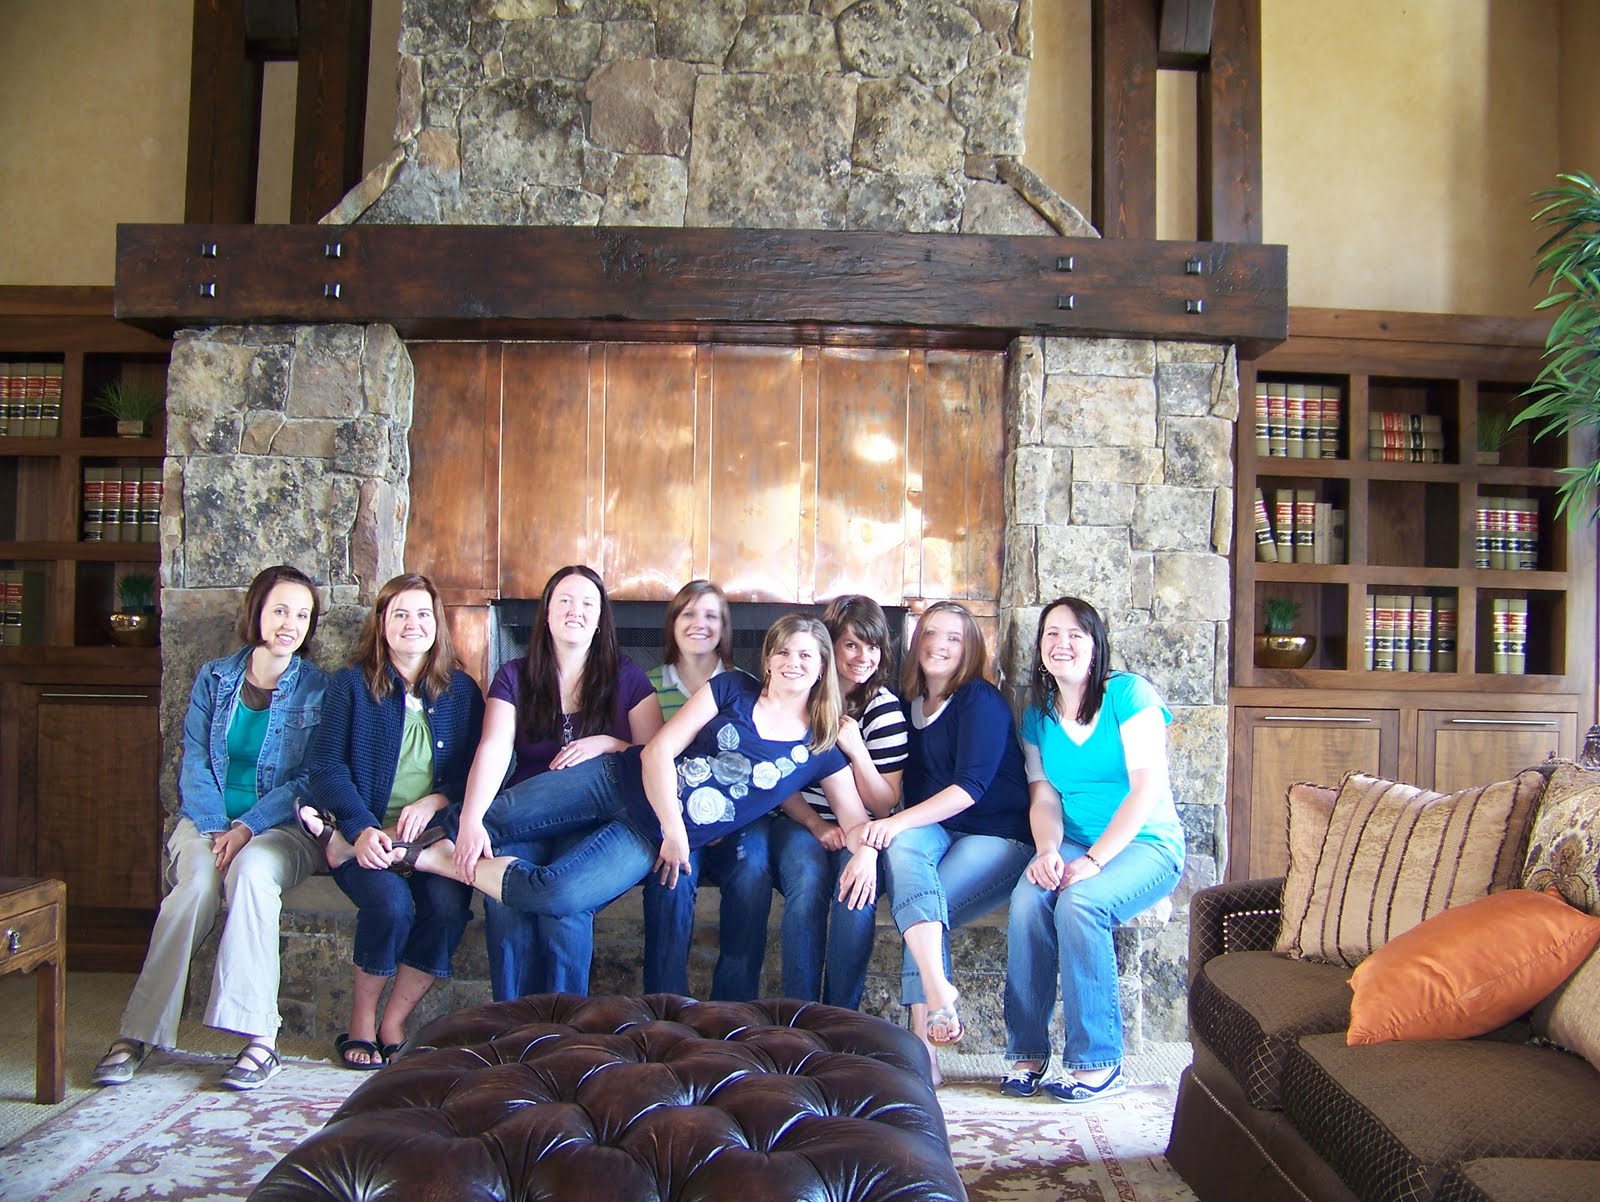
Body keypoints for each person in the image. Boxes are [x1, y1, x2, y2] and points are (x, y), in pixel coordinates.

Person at [415, 615, 880, 932]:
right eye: (783, 653)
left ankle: (434, 861)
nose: (792, 663)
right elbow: (657, 750)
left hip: (645, 837)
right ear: (769, 659)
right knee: (492, 816)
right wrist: (676, 831)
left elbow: (858, 821)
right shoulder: (733, 688)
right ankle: (397, 841)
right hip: (616, 779)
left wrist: (867, 854)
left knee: (559, 894)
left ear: (822, 668)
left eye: (805, 656)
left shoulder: (820, 746)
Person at [93, 564, 328, 1091]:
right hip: (206, 821)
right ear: (258, 613)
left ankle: (261, 1039)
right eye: (280, 611)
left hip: (280, 828)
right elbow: (195, 759)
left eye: (302, 615)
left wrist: (247, 827)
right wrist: (218, 827)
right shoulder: (215, 678)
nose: (290, 624)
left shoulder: (318, 688)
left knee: (251, 874)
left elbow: (310, 778)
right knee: (196, 884)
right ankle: (136, 1033)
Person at [1000, 597, 1184, 1102]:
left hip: (1146, 843)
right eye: (1052, 634)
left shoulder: (1129, 694)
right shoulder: (1037, 716)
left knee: (1080, 903)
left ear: (1096, 644)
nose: (1062, 644)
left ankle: (1098, 1062)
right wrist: (1047, 851)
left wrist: (1094, 861)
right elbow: (1044, 796)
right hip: (1074, 840)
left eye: (1075, 634)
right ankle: (1027, 1052)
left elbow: (1145, 791)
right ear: (1040, 648)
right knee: (1028, 899)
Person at [301, 573, 485, 1069]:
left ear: (437, 624)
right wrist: (359, 828)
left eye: (423, 614)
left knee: (447, 910)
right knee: (391, 906)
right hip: (363, 833)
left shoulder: (462, 691)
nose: (412, 624)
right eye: (400, 613)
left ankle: (393, 1023)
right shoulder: (350, 685)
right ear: (381, 623)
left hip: (430, 839)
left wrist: (435, 800)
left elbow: (479, 770)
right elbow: (326, 767)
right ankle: (362, 1022)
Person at [456, 565, 660, 1001]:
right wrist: (471, 820)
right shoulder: (514, 676)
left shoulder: (629, 677)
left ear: (601, 617)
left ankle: (562, 1027)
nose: (575, 611)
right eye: (565, 600)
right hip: (529, 816)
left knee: (566, 910)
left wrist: (609, 743)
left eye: (588, 603)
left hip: (595, 822)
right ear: (547, 612)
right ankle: (515, 1023)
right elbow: (494, 747)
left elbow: (654, 758)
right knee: (503, 900)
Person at [858, 601, 1032, 1080]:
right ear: (917, 642)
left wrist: (893, 823)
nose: (939, 644)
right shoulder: (906, 703)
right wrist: (887, 829)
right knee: (906, 855)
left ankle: (922, 1050)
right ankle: (938, 997)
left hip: (996, 833)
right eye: (931, 633)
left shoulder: (980, 700)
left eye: (953, 638)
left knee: (922, 904)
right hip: (938, 831)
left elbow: (969, 789)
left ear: (969, 648)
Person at [770, 595, 907, 1008]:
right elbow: (773, 778)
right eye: (851, 644)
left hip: (863, 828)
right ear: (829, 645)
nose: (864, 657)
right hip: (799, 820)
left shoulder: (883, 710)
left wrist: (857, 750)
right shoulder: (800, 691)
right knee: (807, 882)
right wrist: (815, 824)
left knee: (857, 895)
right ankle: (799, 1014)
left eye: (873, 646)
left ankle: (840, 1015)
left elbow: (884, 805)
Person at [642, 579, 772, 999]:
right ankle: (665, 1008)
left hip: (739, 818)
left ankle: (733, 1010)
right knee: (671, 878)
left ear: (724, 628)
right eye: (688, 613)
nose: (700, 623)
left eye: (711, 615)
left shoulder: (747, 686)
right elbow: (640, 755)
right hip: (673, 817)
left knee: (753, 870)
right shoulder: (647, 686)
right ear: (672, 623)